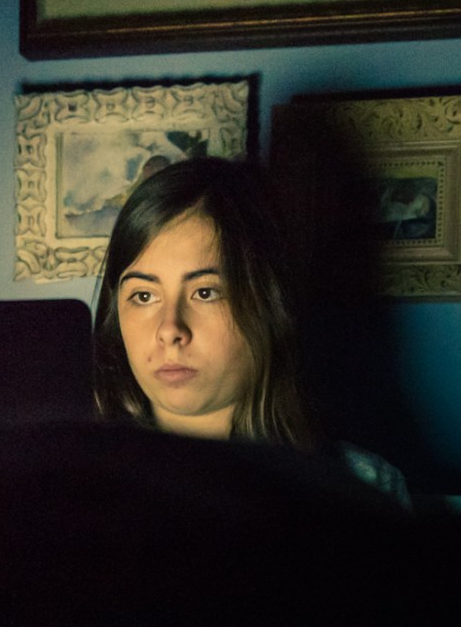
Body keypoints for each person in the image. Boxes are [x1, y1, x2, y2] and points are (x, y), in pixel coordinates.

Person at [91, 155, 412, 507]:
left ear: (267, 305)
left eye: (205, 293)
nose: (170, 330)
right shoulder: (78, 487)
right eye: (143, 296)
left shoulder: (363, 489)